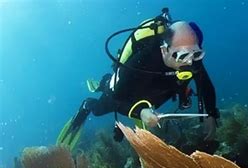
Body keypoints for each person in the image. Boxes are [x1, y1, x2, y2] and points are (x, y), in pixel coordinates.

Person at [57, 10, 219, 149]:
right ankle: (91, 100)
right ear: (164, 50)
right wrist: (140, 112)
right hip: (128, 88)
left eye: (196, 54)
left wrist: (211, 115)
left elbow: (205, 84)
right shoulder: (142, 61)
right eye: (181, 56)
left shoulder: (192, 57)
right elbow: (117, 100)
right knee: (100, 109)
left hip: (159, 88)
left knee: (156, 100)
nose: (189, 62)